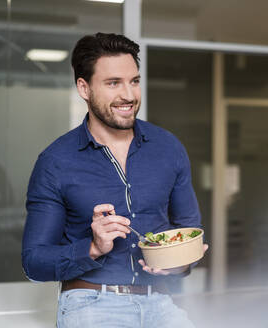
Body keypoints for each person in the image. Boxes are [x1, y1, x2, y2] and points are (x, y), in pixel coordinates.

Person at [22, 32, 207, 328]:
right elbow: (34, 262)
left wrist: (181, 260)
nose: (129, 95)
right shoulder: (55, 162)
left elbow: (189, 229)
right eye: (113, 83)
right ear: (84, 88)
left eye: (134, 81)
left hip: (161, 303)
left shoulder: (168, 147)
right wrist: (92, 247)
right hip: (91, 304)